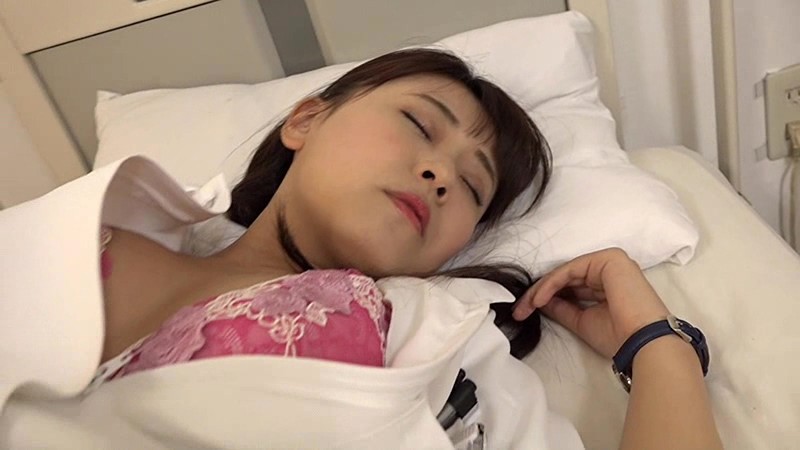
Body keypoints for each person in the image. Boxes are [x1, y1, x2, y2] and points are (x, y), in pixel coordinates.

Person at [4, 49, 722, 449]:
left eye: (473, 187)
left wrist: (656, 344)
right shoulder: (84, 229)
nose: (442, 175)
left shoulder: (444, 346)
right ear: (304, 122)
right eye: (419, 123)